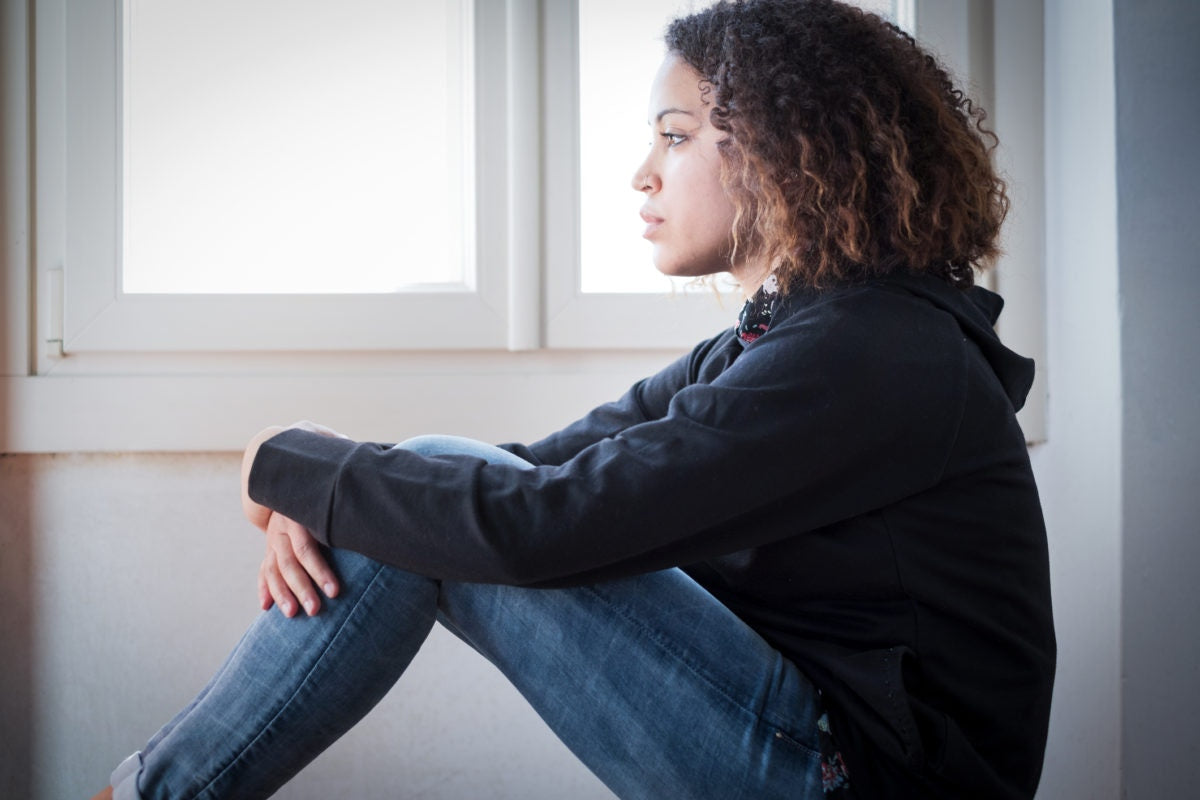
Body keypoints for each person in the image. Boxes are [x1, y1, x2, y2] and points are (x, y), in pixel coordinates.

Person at [94, 0, 1055, 797]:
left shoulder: (870, 354)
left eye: (675, 138)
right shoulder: (781, 342)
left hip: (862, 780)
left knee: (429, 494)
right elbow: (537, 472)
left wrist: (283, 460)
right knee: (424, 492)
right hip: (821, 752)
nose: (643, 173)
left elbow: (535, 525)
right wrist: (318, 477)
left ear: (785, 153)